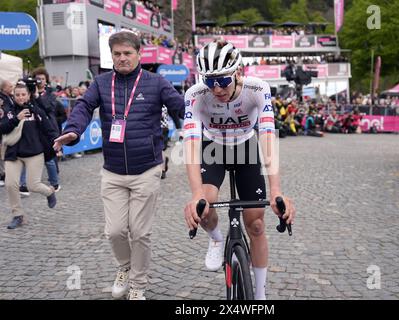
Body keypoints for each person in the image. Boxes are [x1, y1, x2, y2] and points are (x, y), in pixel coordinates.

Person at [53, 31, 185, 300]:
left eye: (127, 53)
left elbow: (181, 108)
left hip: (146, 168)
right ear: (111, 56)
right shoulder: (101, 83)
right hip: (112, 170)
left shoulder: (156, 82)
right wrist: (74, 131)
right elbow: (83, 107)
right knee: (114, 231)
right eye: (117, 54)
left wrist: (202, 121)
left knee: (140, 232)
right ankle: (124, 267)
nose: (122, 58)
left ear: (138, 54)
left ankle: (137, 283)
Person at [183, 40, 296, 300]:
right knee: (205, 206)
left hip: (246, 147)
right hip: (213, 148)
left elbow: (268, 137)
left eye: (223, 80)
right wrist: (196, 193)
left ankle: (259, 294)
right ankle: (215, 238)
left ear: (238, 72)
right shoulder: (195, 95)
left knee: (255, 223)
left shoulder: (257, 89)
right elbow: (190, 145)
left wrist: (276, 190)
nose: (217, 89)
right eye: (210, 82)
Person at [0, 81, 59, 229]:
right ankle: (18, 215)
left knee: (33, 185)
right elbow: (3, 128)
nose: (20, 97)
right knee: (10, 184)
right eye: (17, 95)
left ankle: (49, 192)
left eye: (23, 94)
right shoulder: (9, 110)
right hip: (14, 154)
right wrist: (16, 119)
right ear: (13, 96)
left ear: (28, 95)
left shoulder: (36, 110)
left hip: (34, 153)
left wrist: (58, 144)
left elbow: (48, 128)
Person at [0, 80, 15, 187]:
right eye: (10, 86)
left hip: (9, 127)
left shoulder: (10, 96)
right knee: (2, 152)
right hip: (3, 127)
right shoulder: (2, 98)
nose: (12, 87)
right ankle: (2, 174)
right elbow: (6, 111)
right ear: (4, 88)